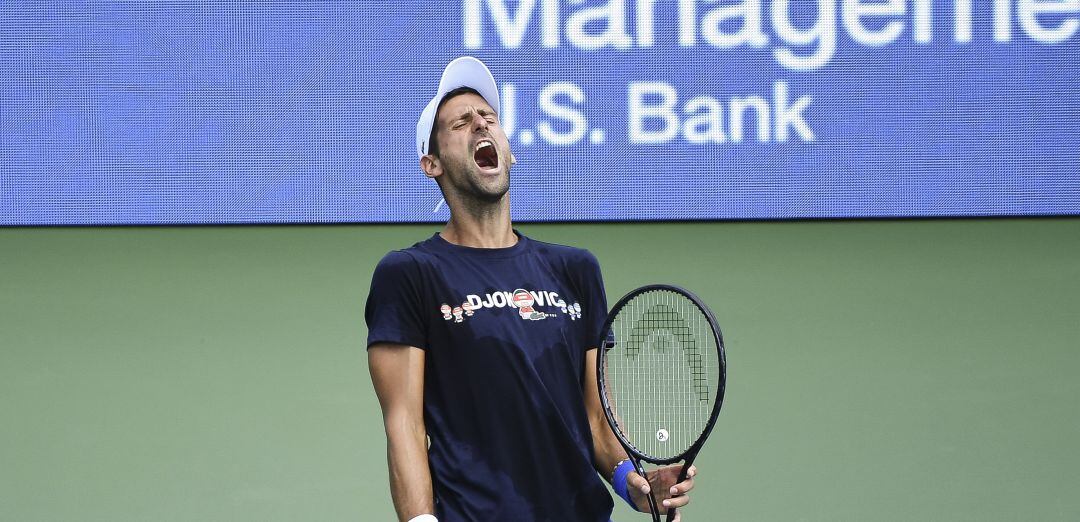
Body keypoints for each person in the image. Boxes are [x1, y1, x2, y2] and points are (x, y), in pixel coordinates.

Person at [365, 56, 697, 522]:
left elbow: (597, 422)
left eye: (490, 118)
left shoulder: (575, 269)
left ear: (508, 150)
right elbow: (404, 424)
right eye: (461, 123)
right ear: (431, 163)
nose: (481, 123)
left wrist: (637, 486)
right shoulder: (411, 274)